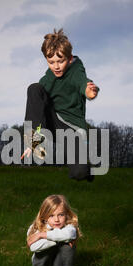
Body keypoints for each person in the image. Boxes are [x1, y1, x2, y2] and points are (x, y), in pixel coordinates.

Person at [21, 28, 99, 181]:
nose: (56, 67)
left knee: (80, 174)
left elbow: (82, 82)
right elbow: (37, 101)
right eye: (51, 62)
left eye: (60, 61)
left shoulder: (76, 71)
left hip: (71, 129)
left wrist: (90, 91)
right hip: (52, 121)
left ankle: (86, 169)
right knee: (35, 88)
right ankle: (35, 139)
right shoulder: (49, 78)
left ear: (69, 59)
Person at [23, 194, 82, 266]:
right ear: (44, 216)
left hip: (58, 264)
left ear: (66, 215)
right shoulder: (37, 227)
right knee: (64, 241)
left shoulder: (69, 227)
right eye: (51, 215)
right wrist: (60, 239)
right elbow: (34, 247)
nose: (56, 219)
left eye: (61, 215)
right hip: (42, 263)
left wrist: (42, 235)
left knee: (68, 245)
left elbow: (70, 234)